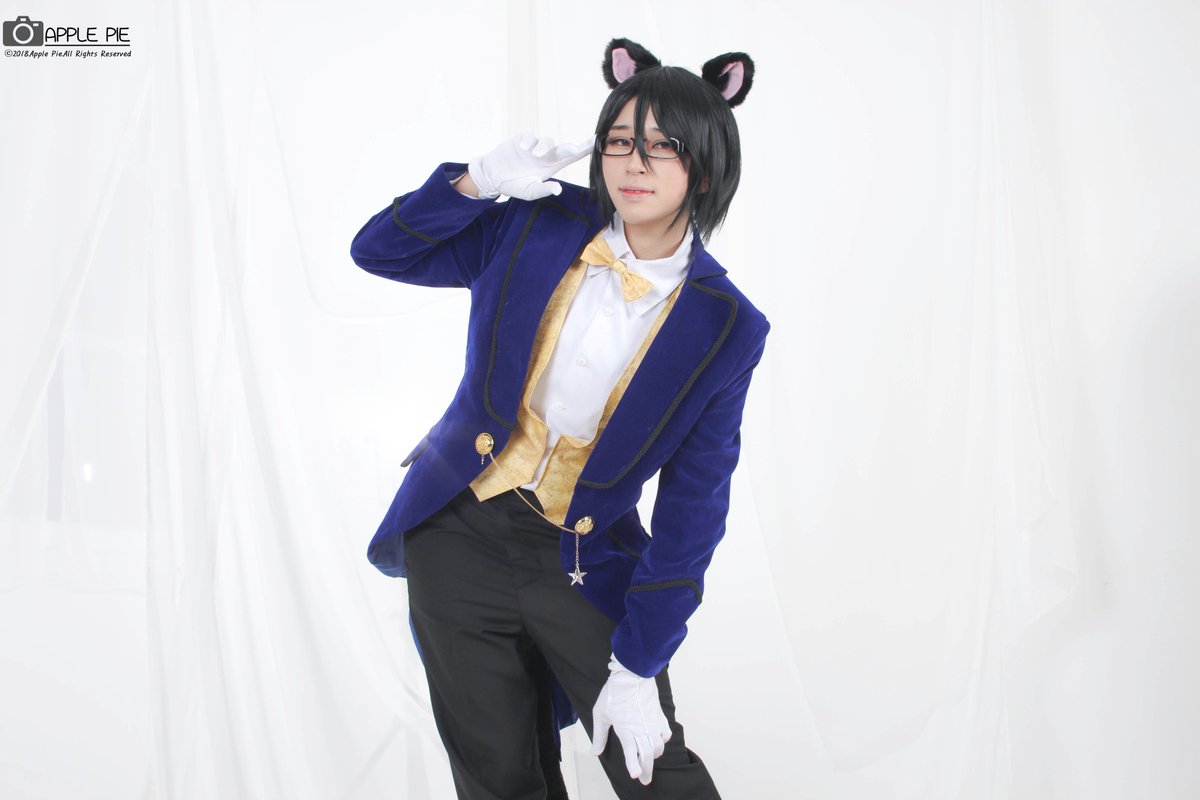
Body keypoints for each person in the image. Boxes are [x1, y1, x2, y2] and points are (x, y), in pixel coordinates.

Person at [349, 37, 766, 800]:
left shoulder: (728, 325)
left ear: (704, 170)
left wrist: (640, 662)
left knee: (657, 777)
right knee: (499, 779)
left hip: (583, 559)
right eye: (619, 141)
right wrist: (476, 181)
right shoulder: (535, 223)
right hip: (456, 532)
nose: (633, 163)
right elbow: (379, 252)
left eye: (662, 147)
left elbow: (695, 505)